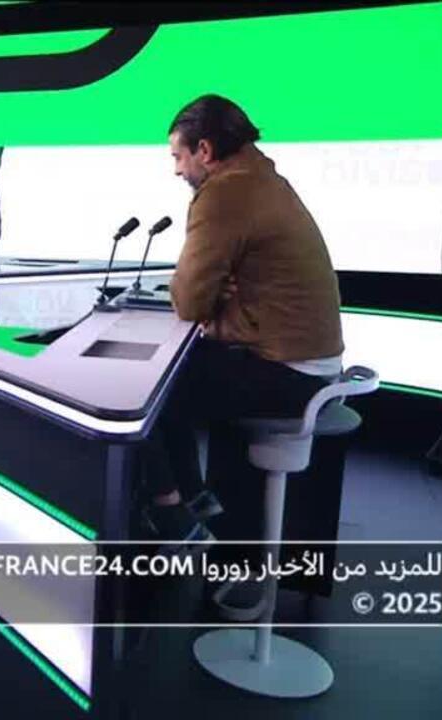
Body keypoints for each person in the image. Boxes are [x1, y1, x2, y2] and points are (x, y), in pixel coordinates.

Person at [143, 95, 344, 565]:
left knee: (142, 389)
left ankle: (172, 516)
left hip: (290, 374)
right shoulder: (261, 178)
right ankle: (195, 499)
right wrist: (217, 291)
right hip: (310, 366)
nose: (177, 170)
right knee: (175, 372)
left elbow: (189, 301)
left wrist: (204, 292)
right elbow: (212, 295)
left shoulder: (225, 193)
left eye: (178, 156)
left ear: (205, 150)